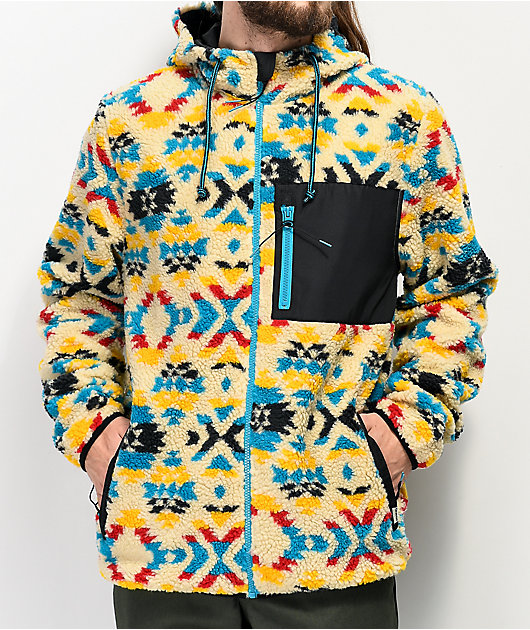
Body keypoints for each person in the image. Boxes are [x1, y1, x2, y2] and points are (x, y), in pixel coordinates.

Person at [35, 1, 499, 628]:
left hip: (335, 541)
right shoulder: (130, 123)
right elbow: (77, 293)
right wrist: (98, 438)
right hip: (163, 542)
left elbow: (451, 292)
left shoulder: (399, 120)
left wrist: (397, 437)